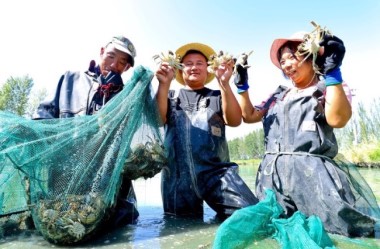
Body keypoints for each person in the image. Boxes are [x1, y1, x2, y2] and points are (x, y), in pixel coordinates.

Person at [233, 30, 380, 237]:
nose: (286, 65)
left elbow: (338, 119)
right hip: (273, 180)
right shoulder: (277, 95)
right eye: (282, 61)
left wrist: (332, 73)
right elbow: (249, 116)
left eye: (292, 57)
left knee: (337, 231)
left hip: (316, 180)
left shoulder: (328, 86)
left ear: (313, 57)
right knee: (272, 230)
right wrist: (242, 87)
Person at [33, 35, 139, 226]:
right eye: (111, 56)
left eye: (122, 62)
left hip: (106, 186)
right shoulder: (69, 79)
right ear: (101, 52)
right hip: (63, 179)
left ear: (127, 68)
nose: (114, 64)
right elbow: (43, 116)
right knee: (60, 226)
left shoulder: (128, 96)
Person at [155, 42, 258, 219]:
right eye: (188, 63)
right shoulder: (169, 97)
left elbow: (234, 121)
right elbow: (158, 119)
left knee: (251, 214)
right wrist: (163, 84)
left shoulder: (218, 96)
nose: (194, 67)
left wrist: (224, 83)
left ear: (208, 68)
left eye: (199, 63)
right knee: (179, 228)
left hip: (215, 174)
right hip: (177, 179)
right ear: (180, 69)